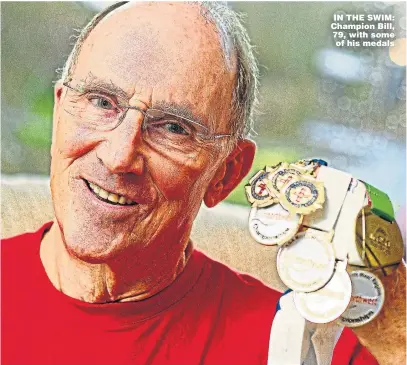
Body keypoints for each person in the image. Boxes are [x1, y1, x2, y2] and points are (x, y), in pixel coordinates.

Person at [2, 2, 405, 365]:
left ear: (226, 174)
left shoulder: (301, 346)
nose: (119, 155)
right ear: (59, 114)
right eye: (102, 102)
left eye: (173, 128)